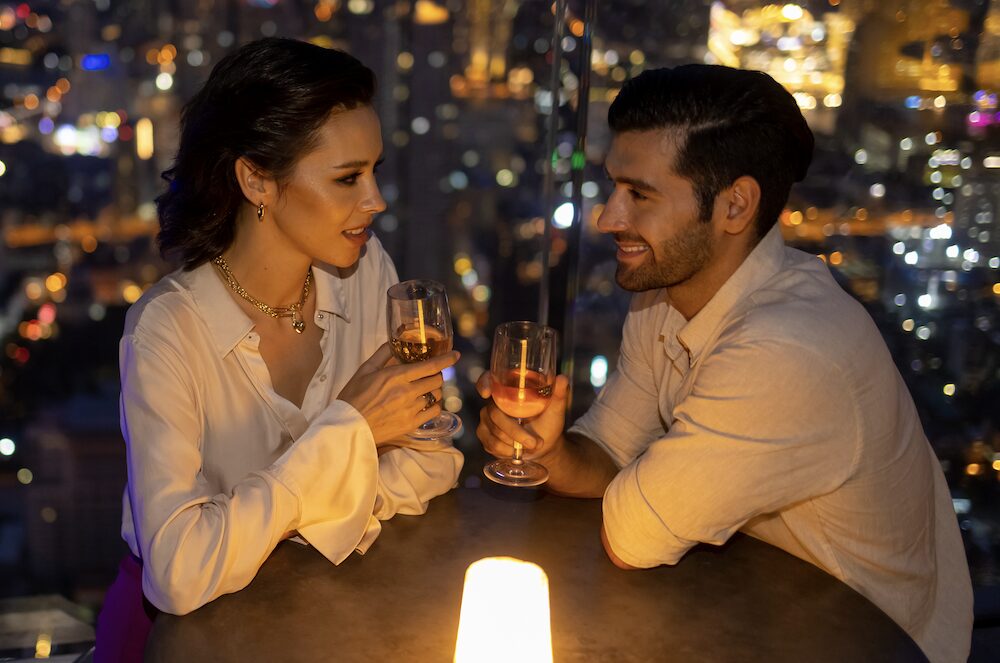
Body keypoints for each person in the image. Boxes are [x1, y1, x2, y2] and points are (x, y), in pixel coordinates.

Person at [476, 65, 972, 662]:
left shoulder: (784, 351)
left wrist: (642, 483)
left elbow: (634, 534)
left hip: (865, 638)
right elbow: (609, 451)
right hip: (754, 607)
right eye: (613, 187)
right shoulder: (664, 298)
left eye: (640, 194)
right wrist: (553, 456)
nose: (608, 217)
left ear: (735, 206)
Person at [98, 37, 463, 656]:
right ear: (255, 180)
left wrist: (273, 517)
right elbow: (179, 574)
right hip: (184, 643)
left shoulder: (368, 269)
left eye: (373, 172)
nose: (374, 201)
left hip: (326, 617)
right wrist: (352, 432)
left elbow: (433, 463)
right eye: (348, 178)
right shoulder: (166, 330)